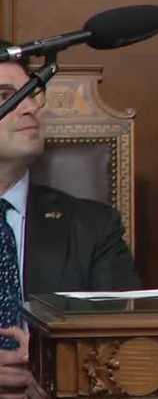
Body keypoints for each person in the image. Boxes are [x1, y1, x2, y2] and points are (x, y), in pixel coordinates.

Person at [0, 53, 139, 397]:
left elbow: (126, 343)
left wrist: (52, 364)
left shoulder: (93, 227)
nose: (29, 107)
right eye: (6, 97)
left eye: (32, 93)